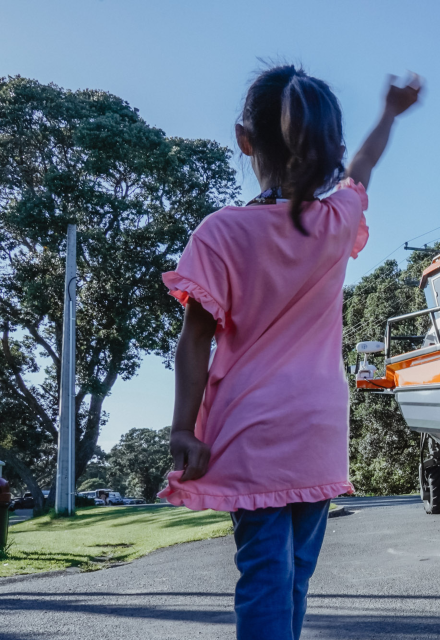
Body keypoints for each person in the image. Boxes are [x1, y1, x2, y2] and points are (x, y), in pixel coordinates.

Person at [159, 65, 421, 640]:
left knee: (264, 574)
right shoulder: (331, 221)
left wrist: (183, 428)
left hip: (252, 433)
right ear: (324, 145)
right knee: (296, 575)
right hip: (318, 430)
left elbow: (196, 338)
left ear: (243, 139)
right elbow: (364, 168)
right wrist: (390, 113)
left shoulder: (220, 233)